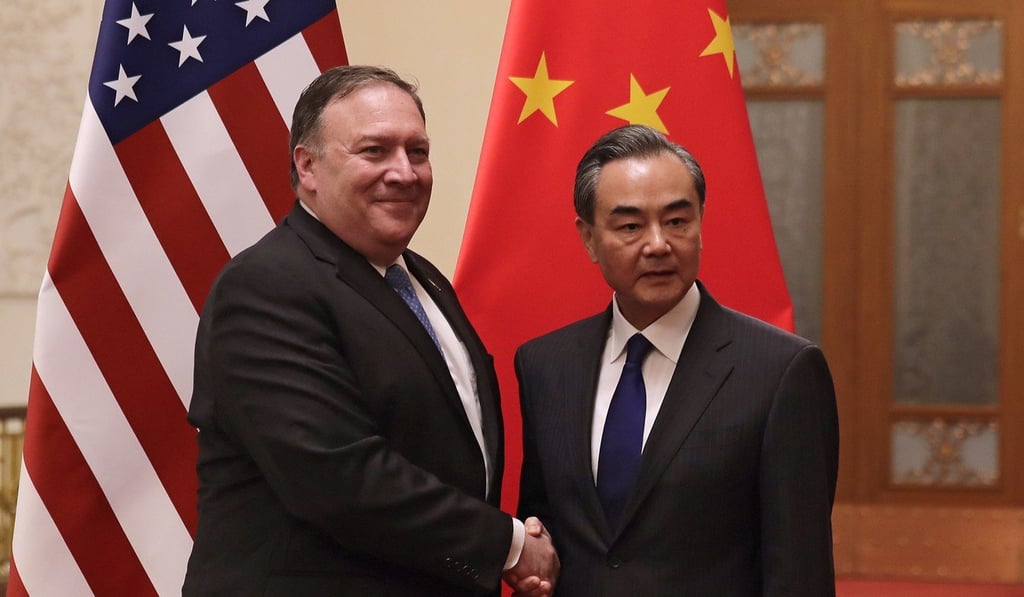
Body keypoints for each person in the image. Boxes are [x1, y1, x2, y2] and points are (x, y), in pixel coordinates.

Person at [183, 65, 558, 596]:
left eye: (417, 152)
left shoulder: (422, 279)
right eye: (375, 151)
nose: (404, 173)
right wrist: (509, 545)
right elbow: (337, 477)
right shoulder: (266, 286)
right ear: (308, 166)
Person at [514, 124, 839, 596]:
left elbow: (800, 571)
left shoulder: (780, 371)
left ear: (700, 224)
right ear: (588, 238)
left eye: (677, 221)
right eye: (630, 226)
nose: (658, 244)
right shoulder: (546, 366)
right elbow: (546, 529)